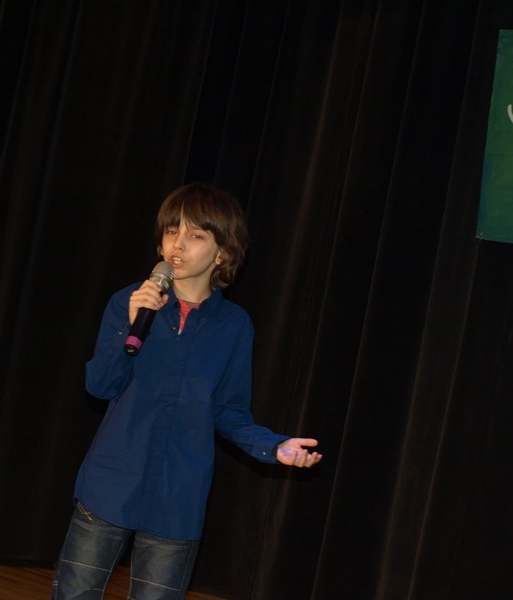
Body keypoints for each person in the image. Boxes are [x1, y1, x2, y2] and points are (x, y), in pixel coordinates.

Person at [51, 183, 322, 599]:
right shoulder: (129, 301)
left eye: (195, 235)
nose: (177, 244)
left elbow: (228, 411)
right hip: (109, 484)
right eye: (171, 231)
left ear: (222, 253)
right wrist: (130, 323)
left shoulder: (234, 326)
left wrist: (275, 446)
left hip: (178, 498)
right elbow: (99, 386)